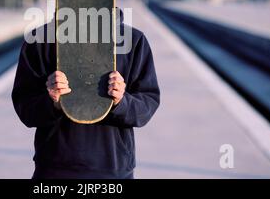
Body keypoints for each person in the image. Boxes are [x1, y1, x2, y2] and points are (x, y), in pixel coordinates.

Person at [12, 10, 160, 179]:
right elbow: (25, 108)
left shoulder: (133, 41)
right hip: (54, 170)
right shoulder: (40, 40)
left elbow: (147, 104)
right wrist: (51, 102)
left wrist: (121, 101)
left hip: (113, 172)